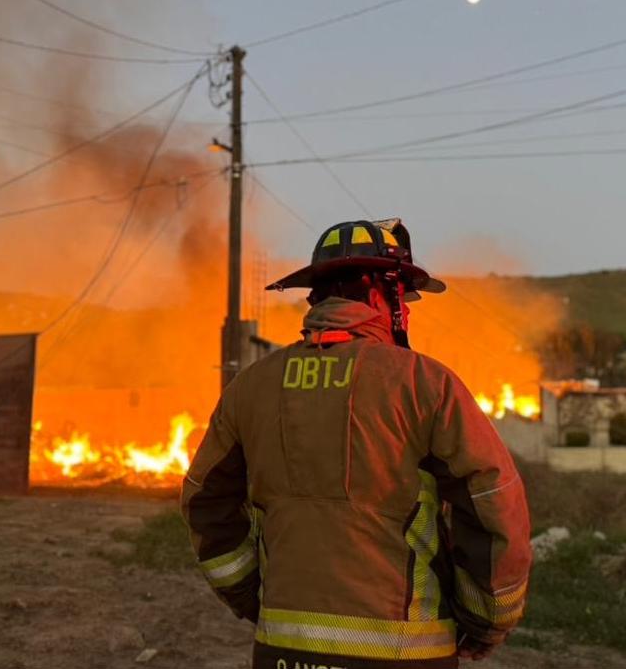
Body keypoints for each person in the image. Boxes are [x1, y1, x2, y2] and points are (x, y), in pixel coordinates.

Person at [181, 219, 532, 669]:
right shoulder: (425, 384)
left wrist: (254, 597)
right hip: (405, 655)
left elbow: (203, 500)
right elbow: (492, 503)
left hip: (283, 649)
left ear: (316, 295)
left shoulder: (252, 387)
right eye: (402, 298)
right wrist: (485, 621)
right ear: (380, 294)